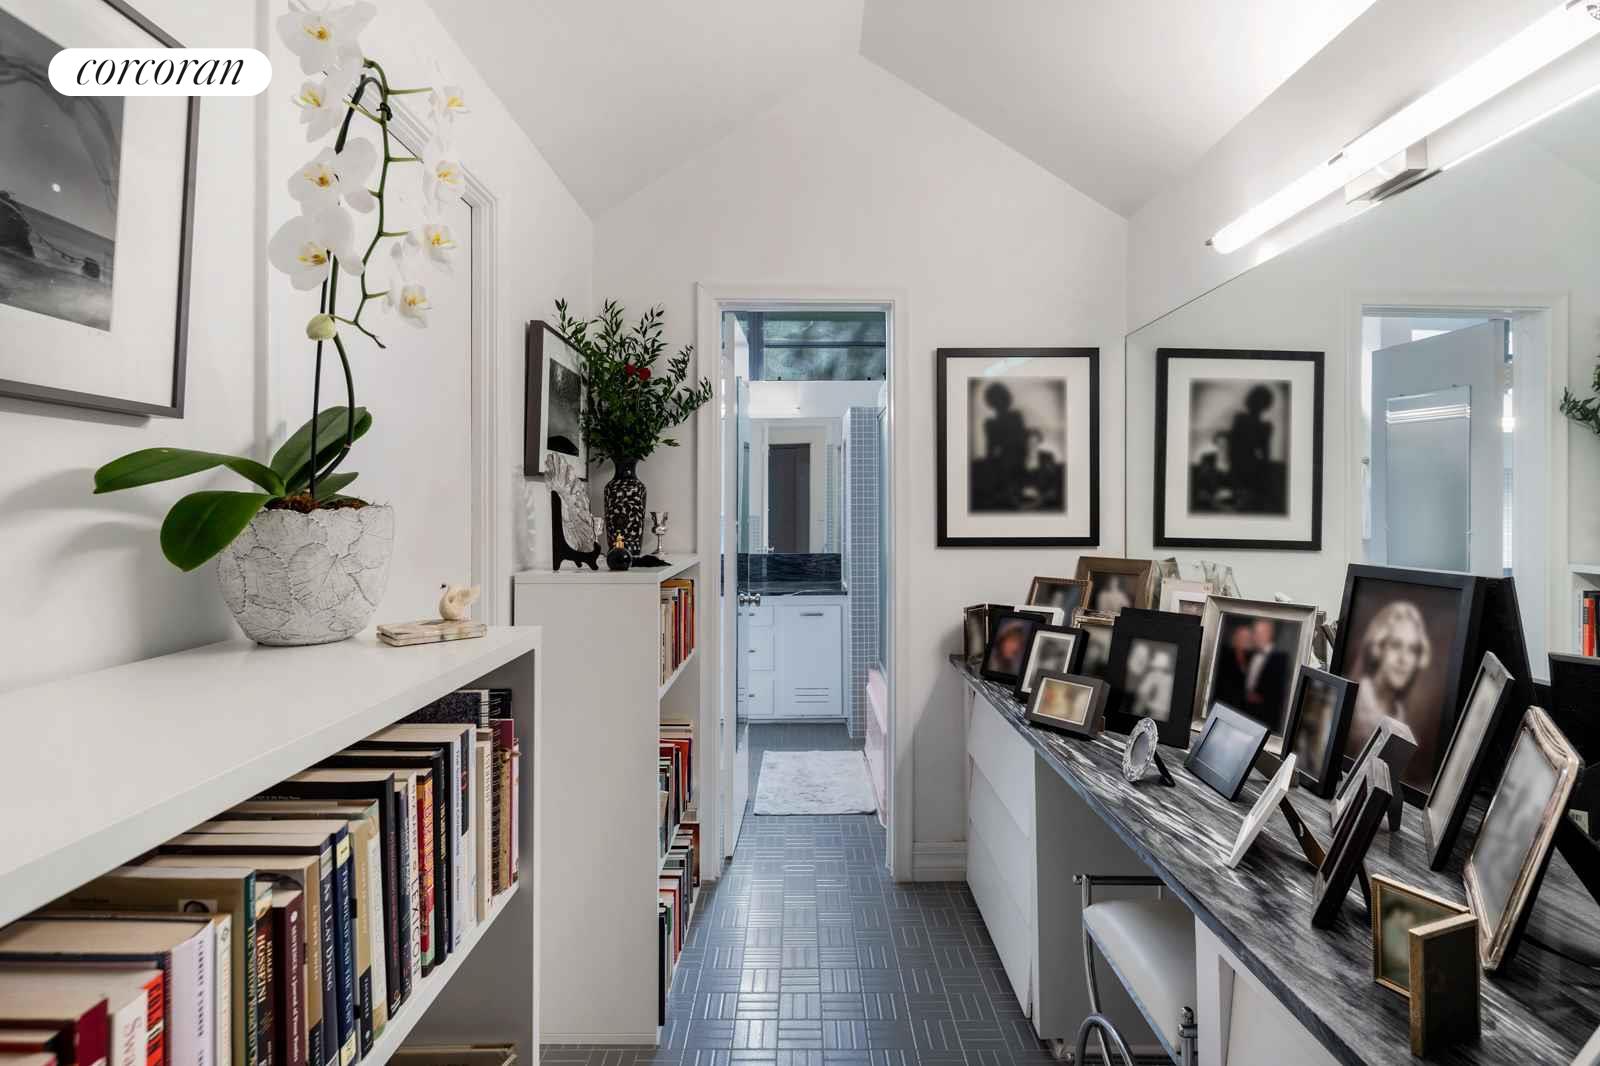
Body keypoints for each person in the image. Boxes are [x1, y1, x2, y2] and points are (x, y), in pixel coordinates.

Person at [1350, 601, 1433, 760]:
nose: (1404, 659)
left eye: (1412, 650)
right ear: (1378, 648)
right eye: (1396, 645)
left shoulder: (1399, 713)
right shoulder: (1356, 699)